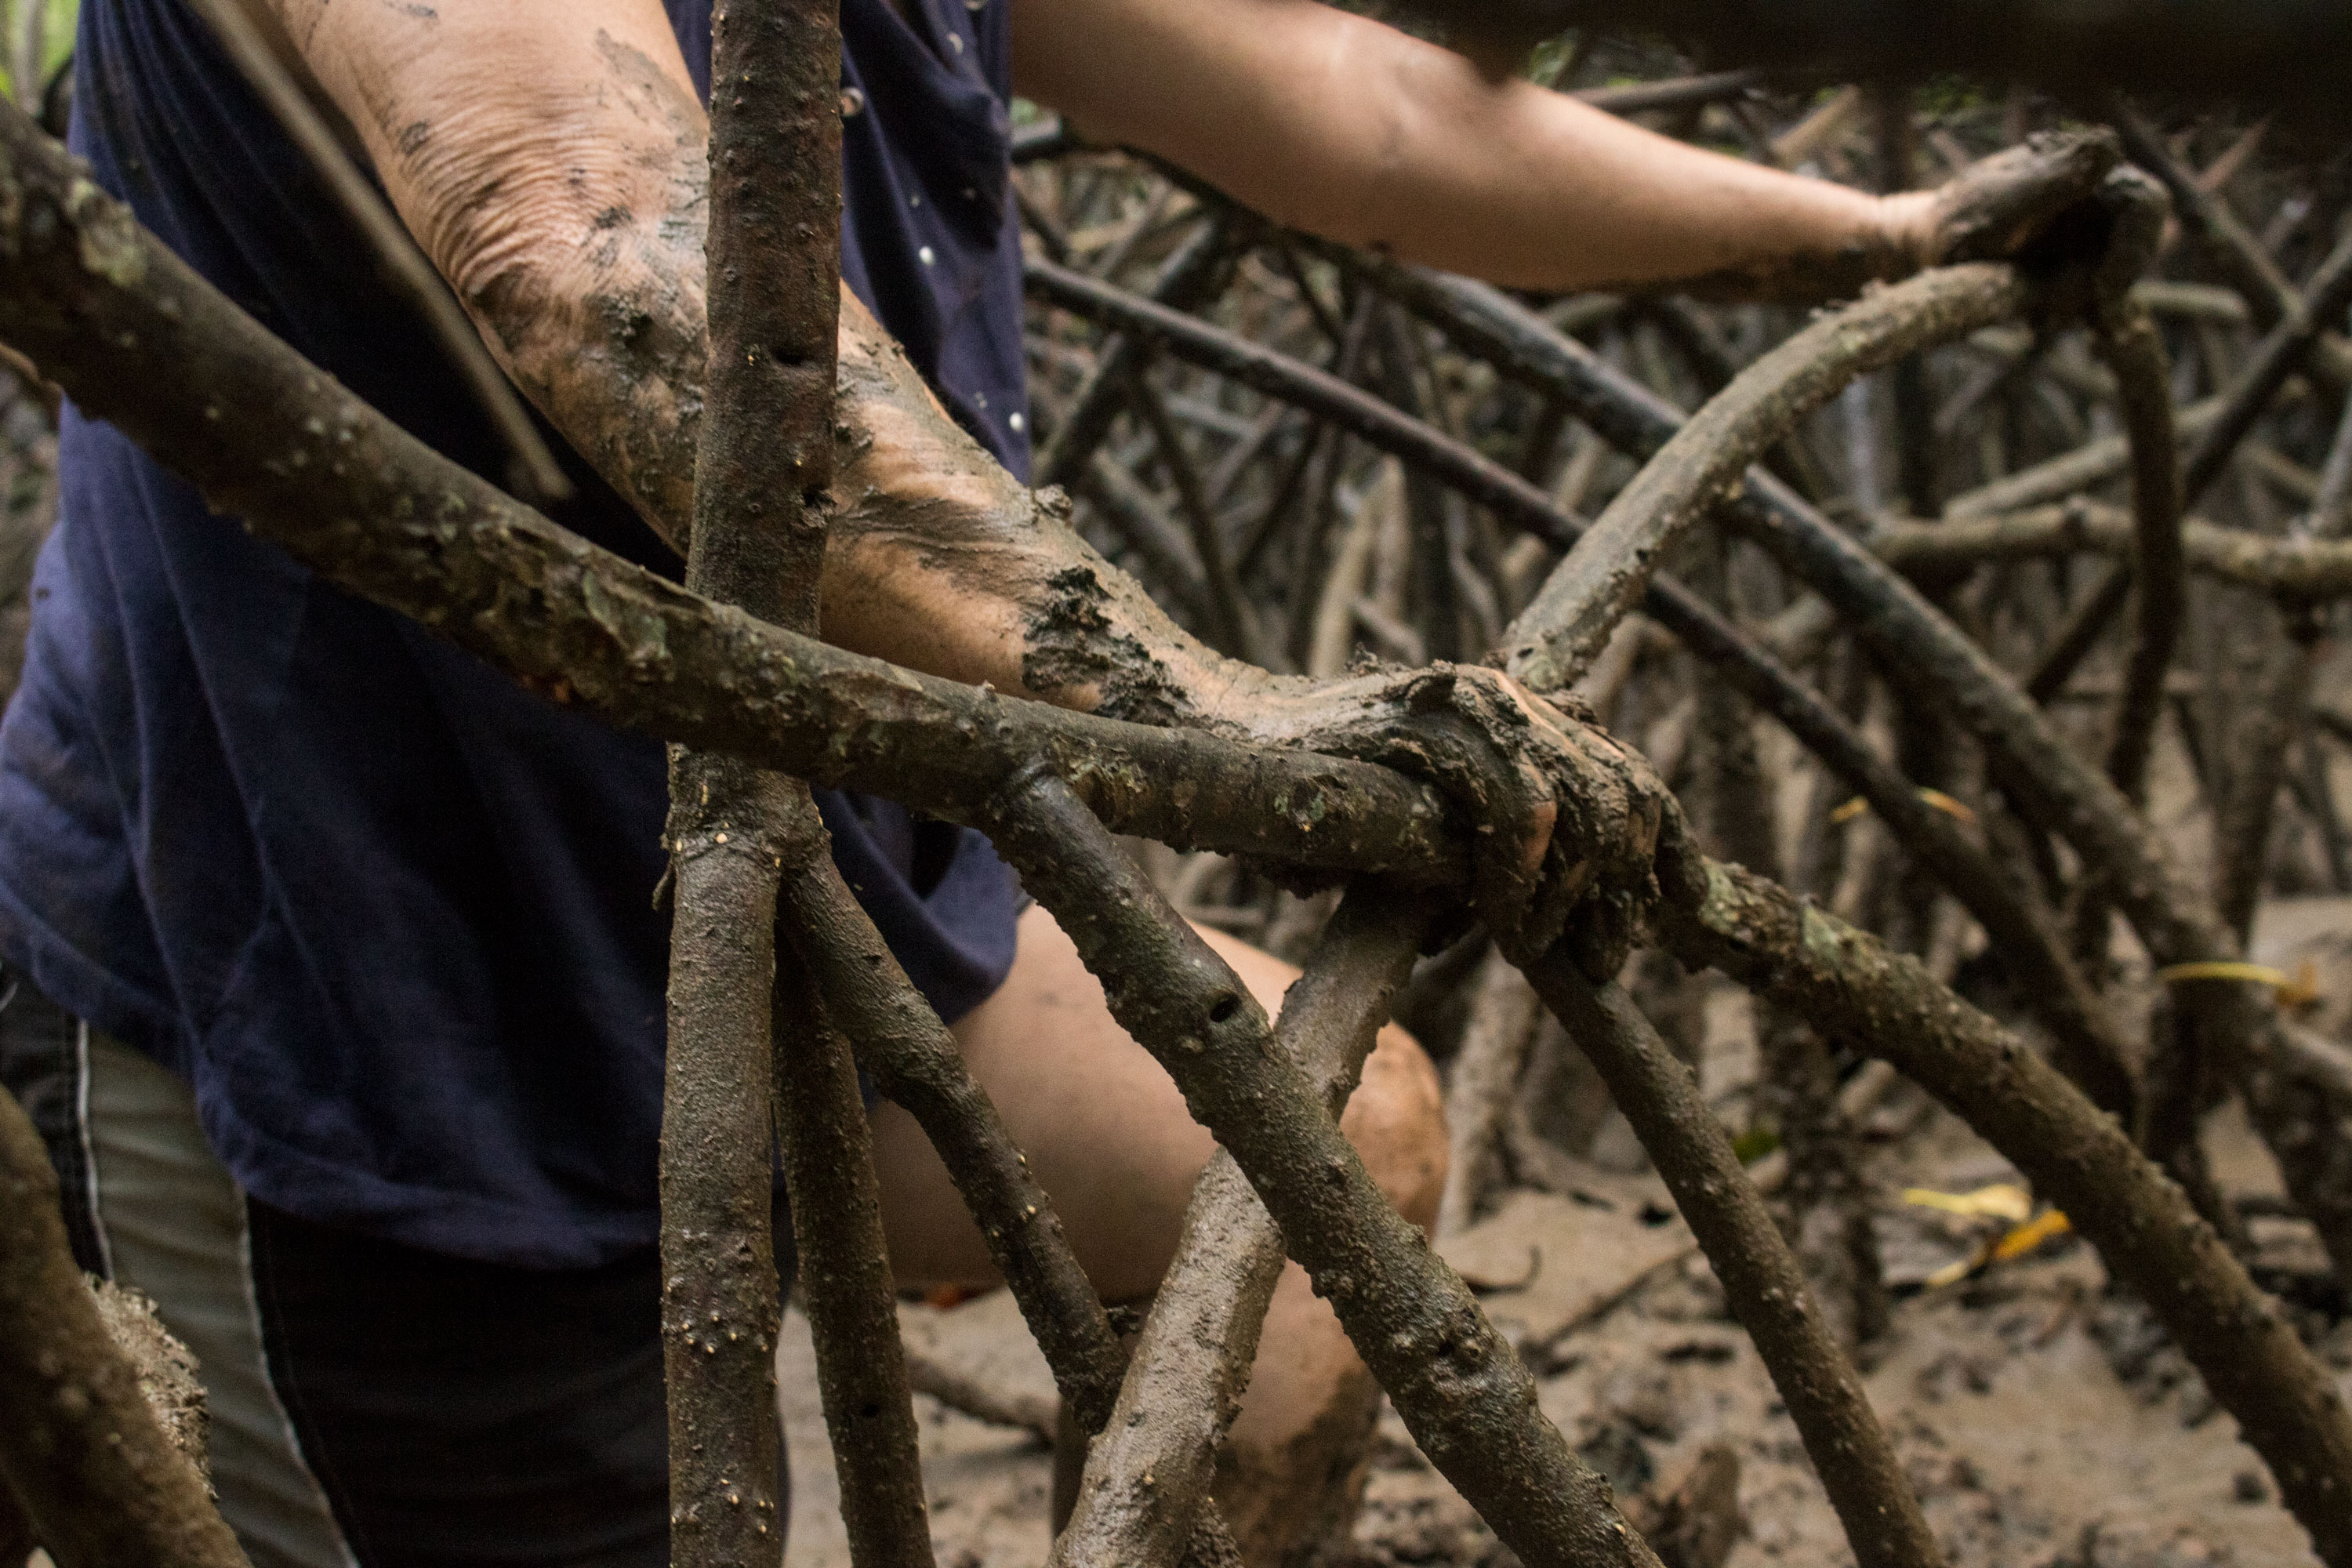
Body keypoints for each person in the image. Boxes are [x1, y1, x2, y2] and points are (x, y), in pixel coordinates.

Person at [0, 0, 2104, 1563]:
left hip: (745, 923)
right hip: (351, 1016)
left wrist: (1872, 232)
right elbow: (592, 251)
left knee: (1316, 1142)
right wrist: (1230, 717)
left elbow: (1355, 109)